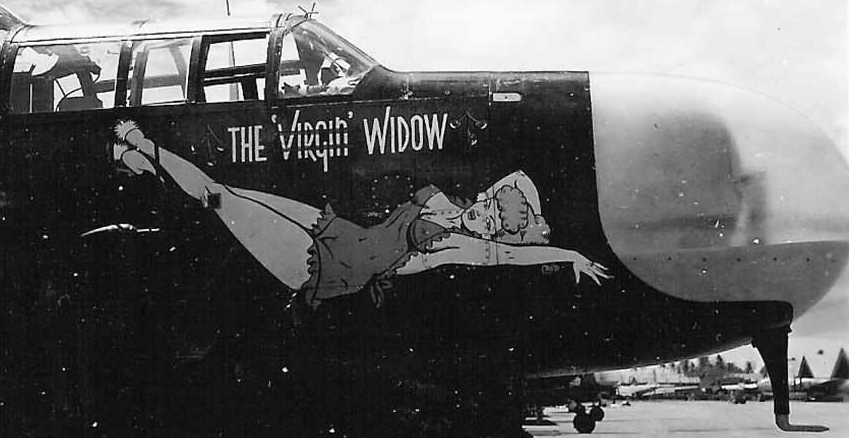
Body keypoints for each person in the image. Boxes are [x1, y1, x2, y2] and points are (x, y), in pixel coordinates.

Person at [113, 121, 610, 306]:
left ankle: (139, 145)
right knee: (223, 191)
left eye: (492, 225)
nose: (482, 220)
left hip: (320, 265)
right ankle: (140, 157)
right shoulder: (442, 204)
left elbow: (512, 257)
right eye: (487, 209)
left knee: (218, 197)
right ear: (483, 200)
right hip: (331, 228)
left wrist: (568, 254)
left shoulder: (457, 245)